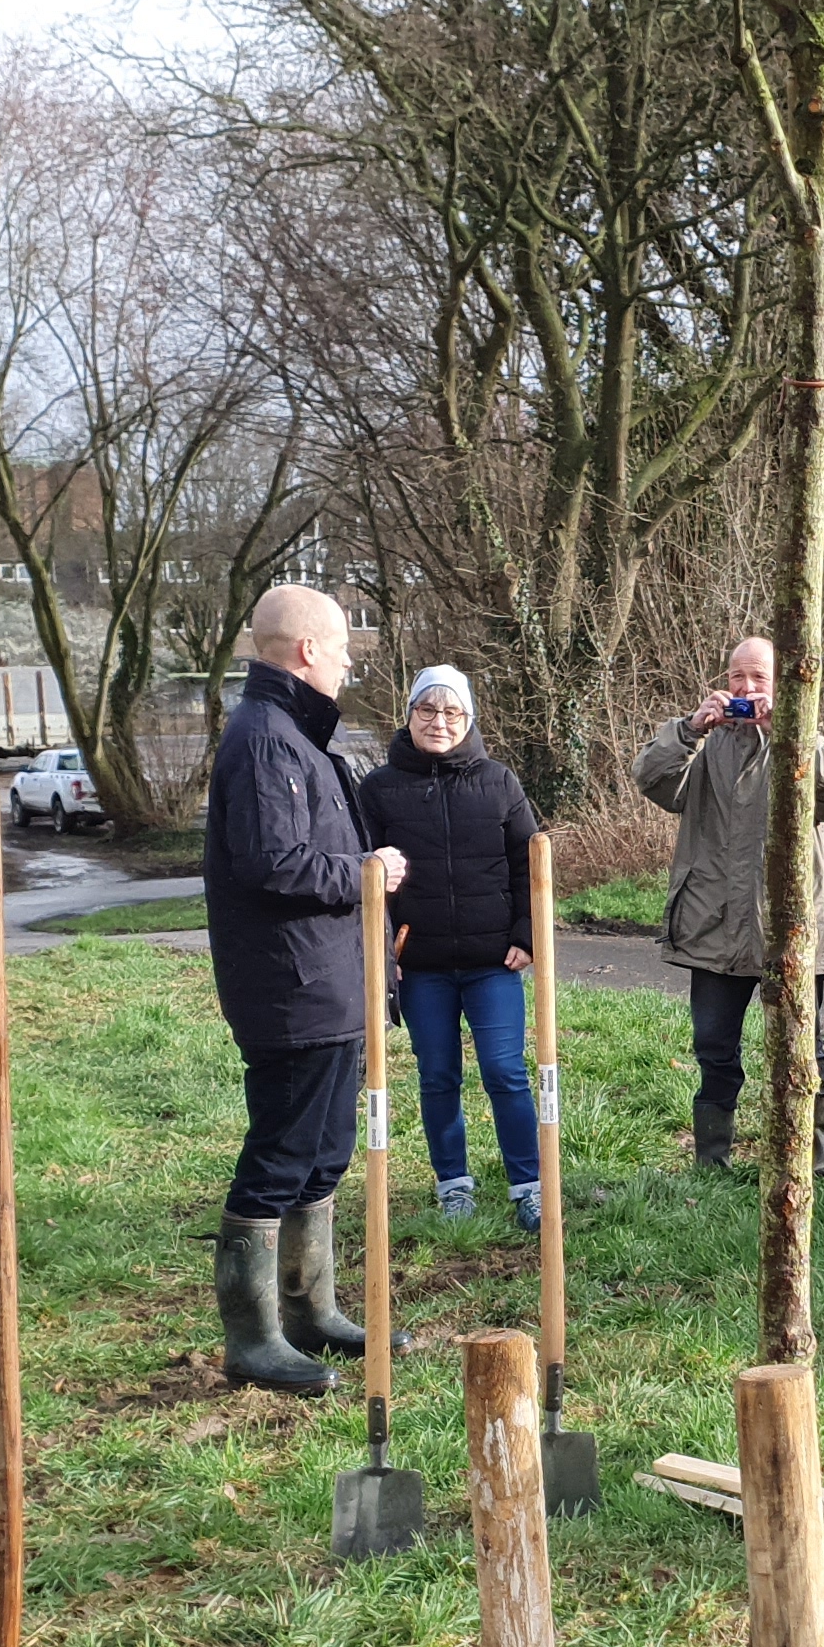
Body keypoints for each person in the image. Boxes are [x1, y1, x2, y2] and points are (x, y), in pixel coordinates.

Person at [200, 585, 405, 1395]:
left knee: (322, 1155)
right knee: (280, 1155)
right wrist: (369, 872)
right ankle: (252, 1337)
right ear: (307, 652)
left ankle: (308, 1309)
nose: (350, 660)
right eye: (344, 647)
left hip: (330, 981)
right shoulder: (263, 741)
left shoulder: (294, 735)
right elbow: (272, 864)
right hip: (292, 988)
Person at [633, 634, 824, 1177]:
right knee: (714, 1048)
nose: (747, 688)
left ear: (781, 685)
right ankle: (713, 1162)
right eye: (738, 677)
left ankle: (817, 1158)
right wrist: (689, 729)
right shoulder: (704, 746)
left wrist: (790, 729)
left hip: (790, 928)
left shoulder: (803, 743)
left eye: (759, 678)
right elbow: (651, 779)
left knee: (805, 1049)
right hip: (712, 924)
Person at [358, 664, 541, 1231]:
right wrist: (384, 954)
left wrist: (527, 934)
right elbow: (365, 881)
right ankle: (453, 1184)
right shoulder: (379, 790)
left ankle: (529, 1186)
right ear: (409, 715)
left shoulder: (500, 782)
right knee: (437, 1075)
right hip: (420, 967)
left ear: (470, 719)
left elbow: (527, 866)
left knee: (505, 1072)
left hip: (493, 963)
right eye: (427, 710)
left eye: (452, 712)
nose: (439, 722)